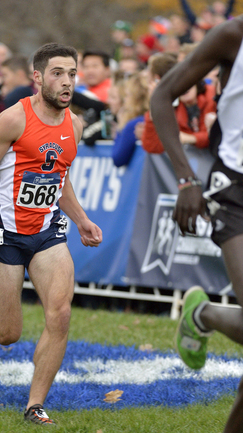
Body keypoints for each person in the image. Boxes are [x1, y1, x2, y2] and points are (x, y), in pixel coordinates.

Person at [0, 42, 102, 426]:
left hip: (47, 231)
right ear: (37, 78)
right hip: (3, 232)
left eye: (72, 73)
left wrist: (82, 219)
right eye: (58, 73)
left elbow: (59, 178)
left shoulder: (75, 123)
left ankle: (35, 404)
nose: (67, 81)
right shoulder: (12, 119)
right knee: (6, 335)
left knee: (60, 311)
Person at [150, 15, 243, 433]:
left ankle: (203, 314)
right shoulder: (233, 34)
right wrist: (186, 178)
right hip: (235, 187)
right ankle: (203, 315)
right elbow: (162, 96)